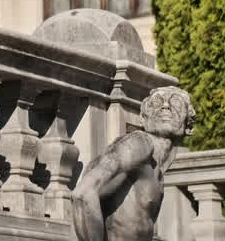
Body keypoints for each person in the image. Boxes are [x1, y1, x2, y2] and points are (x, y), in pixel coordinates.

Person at [72, 86, 195, 241]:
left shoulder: (156, 170)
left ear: (189, 126)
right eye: (156, 102)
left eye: (175, 102)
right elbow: (83, 194)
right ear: (142, 119)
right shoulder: (138, 144)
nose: (165, 106)